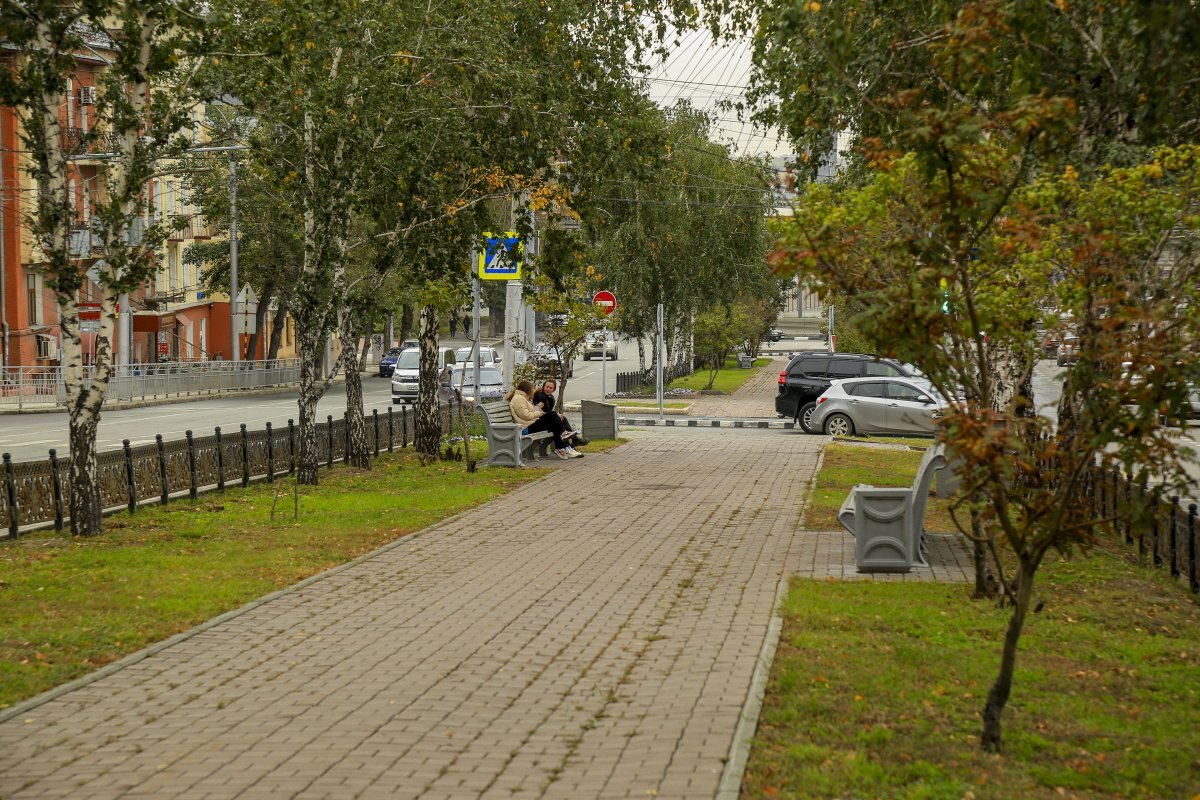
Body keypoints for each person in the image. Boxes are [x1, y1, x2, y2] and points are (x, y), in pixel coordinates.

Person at [507, 379, 582, 459]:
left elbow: (528, 412)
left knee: (555, 423)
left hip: (530, 424)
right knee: (552, 415)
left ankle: (562, 447)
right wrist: (540, 413)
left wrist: (537, 407)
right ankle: (563, 441)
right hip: (526, 428)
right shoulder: (519, 399)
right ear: (527, 390)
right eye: (532, 388)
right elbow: (526, 416)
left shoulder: (522, 398)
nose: (533, 390)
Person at [532, 379, 589, 448]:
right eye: (547, 387)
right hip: (539, 423)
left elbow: (548, 413)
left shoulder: (551, 398)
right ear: (544, 387)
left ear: (553, 390)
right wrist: (556, 415)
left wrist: (557, 416)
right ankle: (567, 445)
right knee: (558, 423)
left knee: (563, 419)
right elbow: (544, 412)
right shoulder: (539, 396)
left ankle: (573, 441)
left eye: (550, 388)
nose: (548, 389)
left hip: (547, 421)